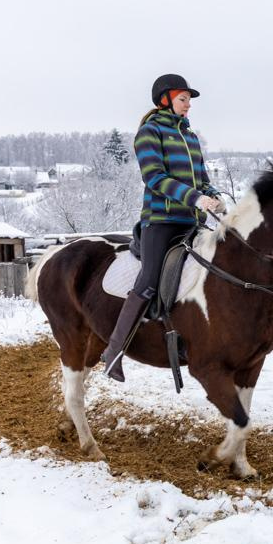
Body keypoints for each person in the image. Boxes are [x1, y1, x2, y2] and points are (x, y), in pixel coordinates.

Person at [102, 73, 224, 381]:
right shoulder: (149, 132)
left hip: (192, 222)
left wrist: (214, 197)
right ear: (165, 99)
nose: (188, 106)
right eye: (183, 99)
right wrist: (194, 197)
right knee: (149, 280)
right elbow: (154, 178)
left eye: (190, 101)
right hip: (161, 222)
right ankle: (114, 351)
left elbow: (202, 180)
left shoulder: (191, 137)